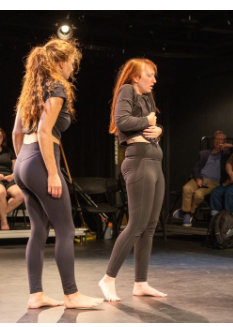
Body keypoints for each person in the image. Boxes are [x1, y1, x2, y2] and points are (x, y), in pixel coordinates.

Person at [11, 37, 103, 309]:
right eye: (72, 62)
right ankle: (72, 295)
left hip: (24, 163)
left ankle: (36, 295)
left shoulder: (31, 90)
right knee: (65, 228)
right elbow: (44, 132)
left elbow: (17, 133)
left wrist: (21, 166)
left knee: (39, 229)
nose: (73, 68)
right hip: (40, 161)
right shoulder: (57, 86)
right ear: (61, 62)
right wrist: (51, 173)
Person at [99, 58, 167, 302]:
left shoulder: (147, 98)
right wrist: (148, 122)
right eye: (149, 75)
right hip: (139, 161)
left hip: (155, 162)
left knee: (149, 226)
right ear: (136, 76)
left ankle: (141, 283)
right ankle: (108, 279)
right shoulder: (127, 90)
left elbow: (150, 124)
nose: (154, 80)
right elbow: (122, 122)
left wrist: (158, 130)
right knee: (137, 224)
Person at [173, 130, 233, 226]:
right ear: (213, 140)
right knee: (186, 188)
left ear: (224, 142)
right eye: (217, 139)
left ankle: (189, 213)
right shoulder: (204, 153)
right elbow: (196, 168)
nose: (218, 142)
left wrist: (230, 146)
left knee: (198, 194)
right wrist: (198, 178)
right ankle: (187, 214)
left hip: (214, 182)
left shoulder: (226, 155)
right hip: (201, 178)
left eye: (221, 140)